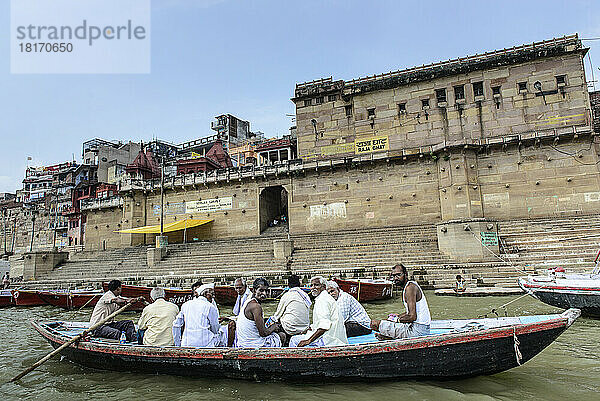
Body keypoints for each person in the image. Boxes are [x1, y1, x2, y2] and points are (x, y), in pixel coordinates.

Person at [370, 264, 431, 339]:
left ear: (406, 274)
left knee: (374, 324)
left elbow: (412, 317)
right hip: (421, 328)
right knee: (388, 320)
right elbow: (411, 312)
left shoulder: (409, 288)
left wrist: (396, 319)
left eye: (399, 275)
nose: (396, 278)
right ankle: (390, 336)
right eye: (394, 276)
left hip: (417, 331)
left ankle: (390, 337)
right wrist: (398, 316)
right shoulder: (410, 285)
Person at [289, 276, 348, 347]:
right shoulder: (325, 298)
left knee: (294, 340)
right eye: (311, 285)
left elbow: (324, 326)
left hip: (328, 340)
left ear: (323, 287)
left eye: (316, 285)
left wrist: (308, 341)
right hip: (334, 338)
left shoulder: (322, 300)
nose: (313, 287)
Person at [172, 283, 229, 347]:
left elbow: (176, 325)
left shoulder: (186, 304)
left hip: (186, 344)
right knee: (221, 334)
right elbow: (215, 329)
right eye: (212, 294)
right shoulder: (210, 306)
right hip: (205, 344)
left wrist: (178, 345)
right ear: (205, 294)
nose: (213, 297)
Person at [235, 278, 284, 348]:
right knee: (282, 335)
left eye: (266, 291)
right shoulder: (256, 307)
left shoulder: (248, 302)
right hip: (253, 345)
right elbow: (263, 333)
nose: (264, 293)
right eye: (261, 290)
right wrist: (274, 327)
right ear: (254, 291)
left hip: (244, 343)